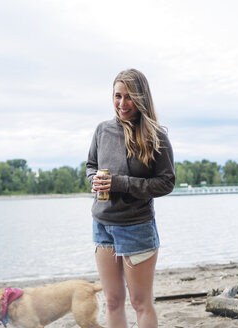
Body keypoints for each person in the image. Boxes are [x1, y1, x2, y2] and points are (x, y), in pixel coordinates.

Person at [86, 68, 175, 328]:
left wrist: (120, 183)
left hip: (136, 227)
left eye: (129, 97)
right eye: (117, 96)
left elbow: (166, 182)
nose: (122, 104)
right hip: (102, 225)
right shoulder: (102, 130)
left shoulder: (156, 136)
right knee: (112, 301)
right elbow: (90, 165)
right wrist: (94, 180)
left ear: (141, 98)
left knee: (140, 303)